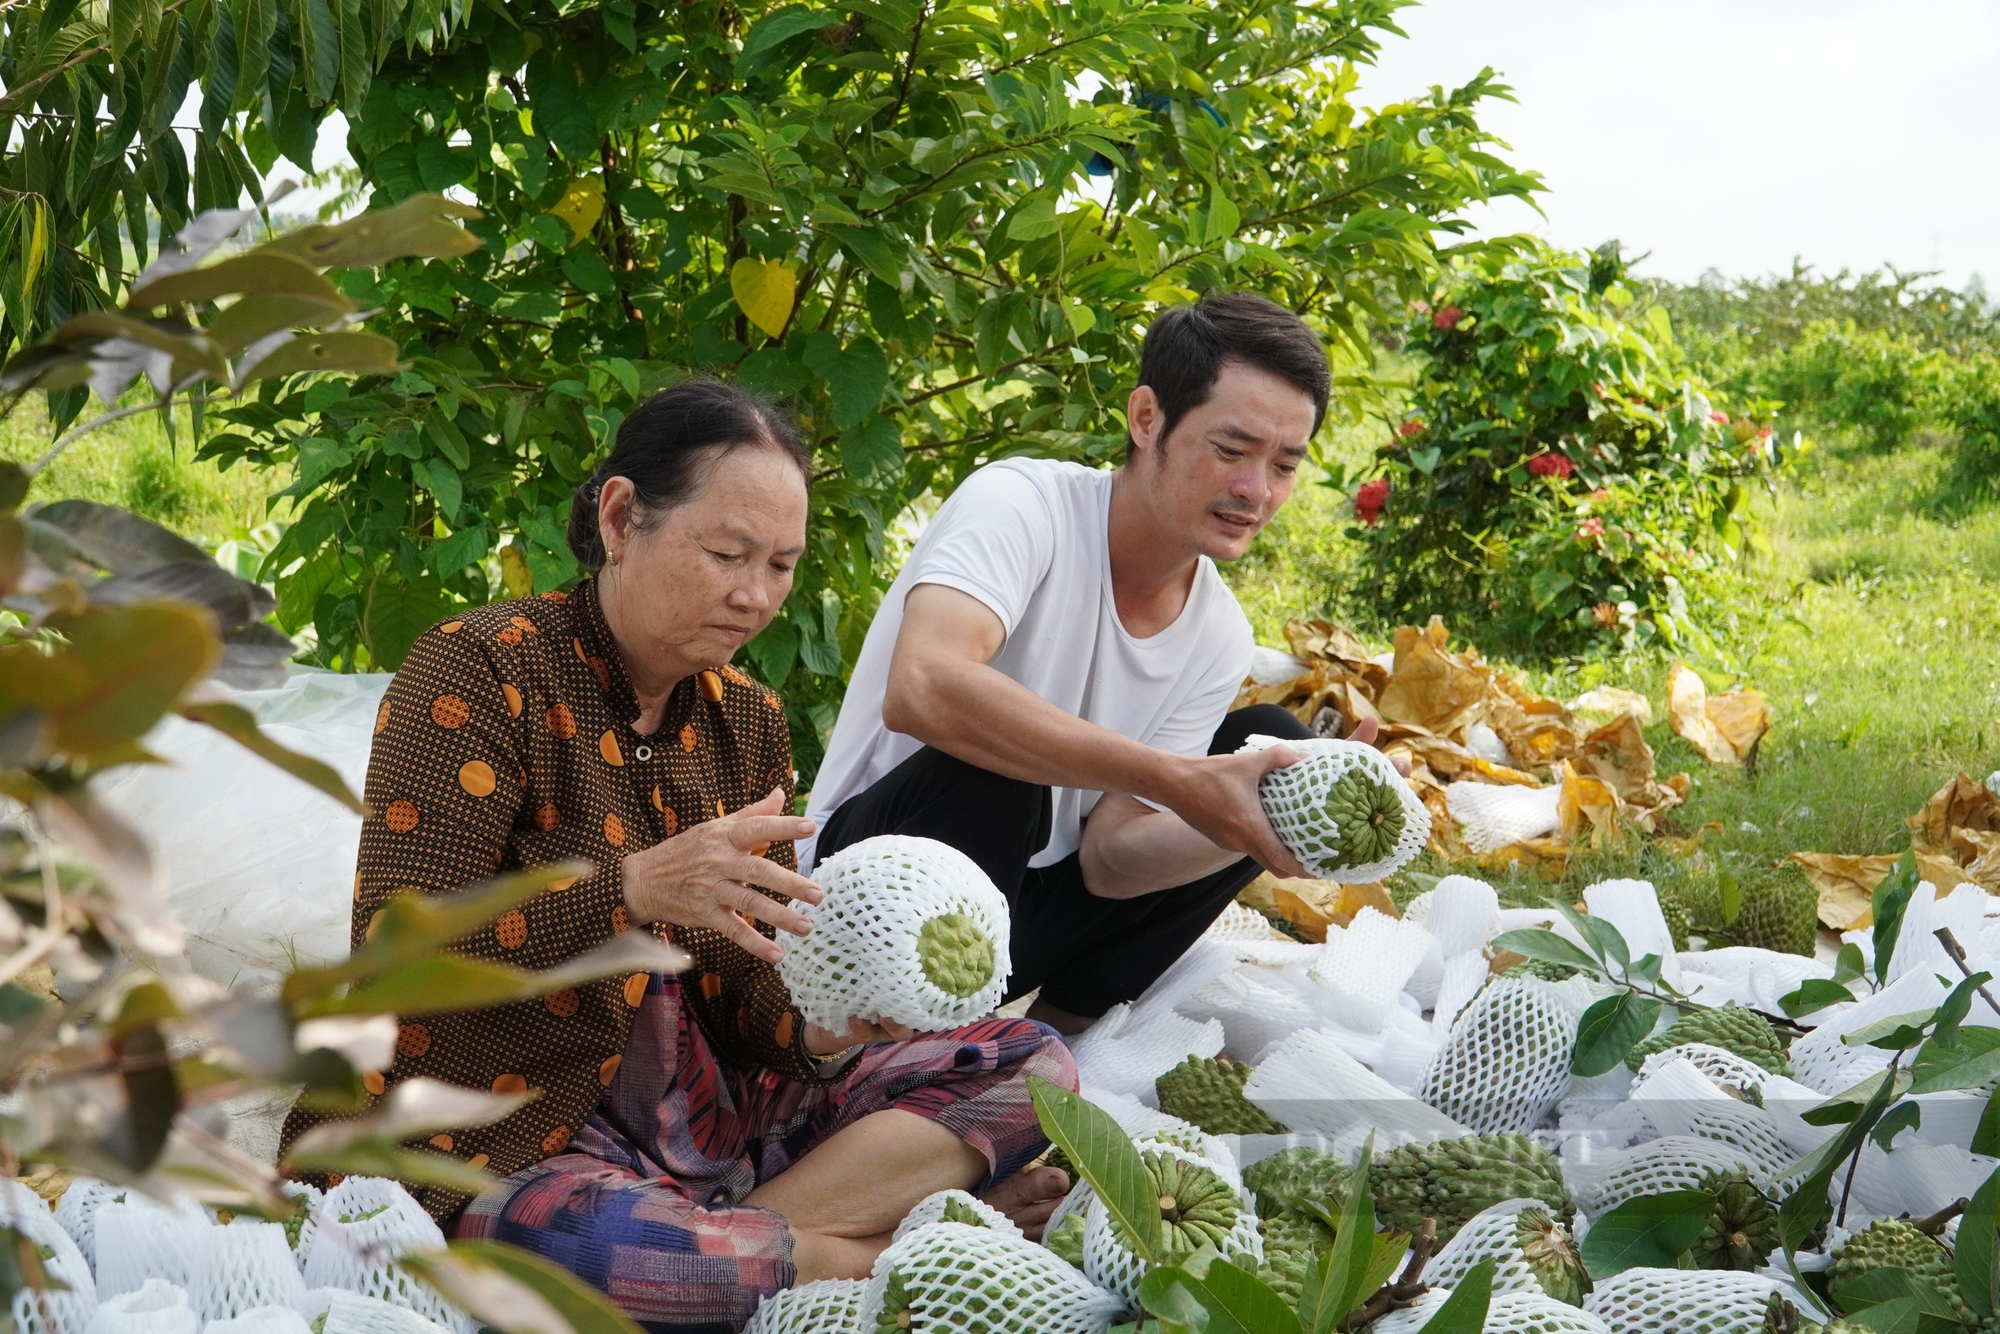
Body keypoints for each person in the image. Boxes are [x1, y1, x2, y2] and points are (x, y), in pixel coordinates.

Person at [280, 380, 1074, 1332]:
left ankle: (744, 1244)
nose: (756, 595)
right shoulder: (482, 668)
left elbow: (748, 994)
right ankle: (902, 1248)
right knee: (582, 1251)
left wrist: (821, 1031)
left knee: (1032, 1062)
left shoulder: (745, 720)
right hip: (506, 1137)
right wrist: (634, 888)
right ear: (622, 518)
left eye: (781, 565)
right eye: (727, 554)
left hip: (707, 1123)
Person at [806, 292, 1342, 1036]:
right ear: (1146, 418)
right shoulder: (1022, 504)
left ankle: (1052, 1050)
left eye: (1284, 464)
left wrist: (1241, 822)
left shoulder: (1218, 629)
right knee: (997, 777)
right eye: (1231, 451)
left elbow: (1110, 863)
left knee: (1277, 756)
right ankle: (896, 1060)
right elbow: (922, 687)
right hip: (858, 899)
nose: (1257, 490)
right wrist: (1174, 780)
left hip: (1004, 929)